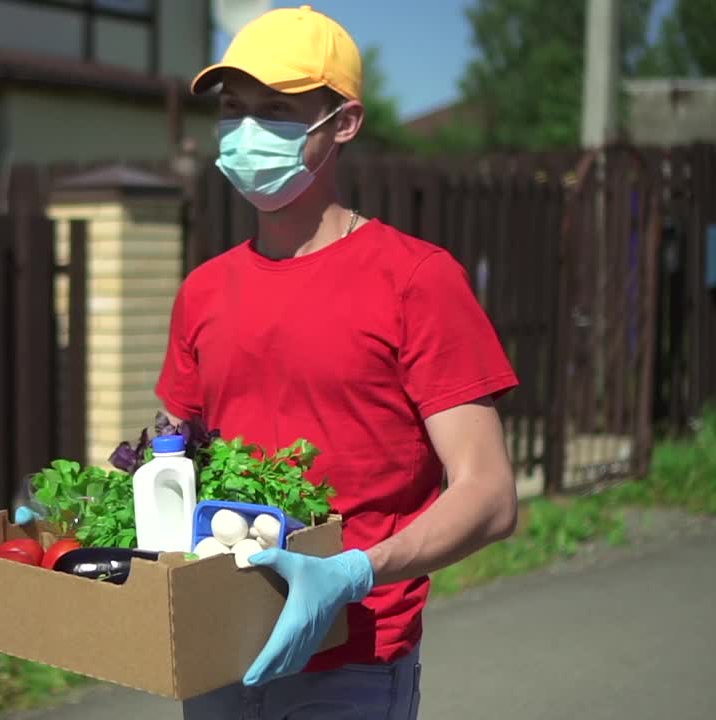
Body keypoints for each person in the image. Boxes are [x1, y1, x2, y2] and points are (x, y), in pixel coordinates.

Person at [161, 5, 521, 719]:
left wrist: (351, 572)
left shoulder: (416, 279)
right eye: (235, 110)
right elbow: (170, 455)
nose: (246, 131)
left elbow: (488, 495)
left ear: (343, 123)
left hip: (354, 659)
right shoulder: (203, 289)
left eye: (276, 110)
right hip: (217, 647)